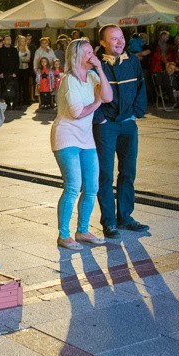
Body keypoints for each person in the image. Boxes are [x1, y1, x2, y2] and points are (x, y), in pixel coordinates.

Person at [51, 38, 113, 250]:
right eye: (88, 53)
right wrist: (96, 102)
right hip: (66, 136)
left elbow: (108, 96)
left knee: (91, 187)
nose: (92, 55)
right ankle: (64, 234)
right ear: (77, 56)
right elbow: (77, 113)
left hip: (86, 139)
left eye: (92, 52)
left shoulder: (93, 76)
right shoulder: (69, 80)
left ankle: (83, 230)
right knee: (73, 186)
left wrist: (101, 70)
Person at [93, 24, 149, 237]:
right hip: (106, 125)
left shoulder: (132, 61)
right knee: (105, 174)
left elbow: (141, 88)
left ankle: (125, 217)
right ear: (103, 42)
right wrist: (100, 120)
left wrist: (136, 113)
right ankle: (109, 221)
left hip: (128, 124)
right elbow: (90, 93)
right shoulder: (96, 65)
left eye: (121, 38)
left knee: (128, 172)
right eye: (114, 39)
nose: (119, 42)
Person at [16, 35, 32, 105]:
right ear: (18, 42)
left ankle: (26, 100)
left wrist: (21, 59)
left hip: (25, 69)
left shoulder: (27, 50)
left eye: (24, 41)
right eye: (21, 41)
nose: (23, 42)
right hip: (18, 69)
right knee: (18, 85)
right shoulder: (16, 49)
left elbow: (28, 59)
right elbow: (16, 59)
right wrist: (23, 59)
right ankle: (18, 100)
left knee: (25, 85)